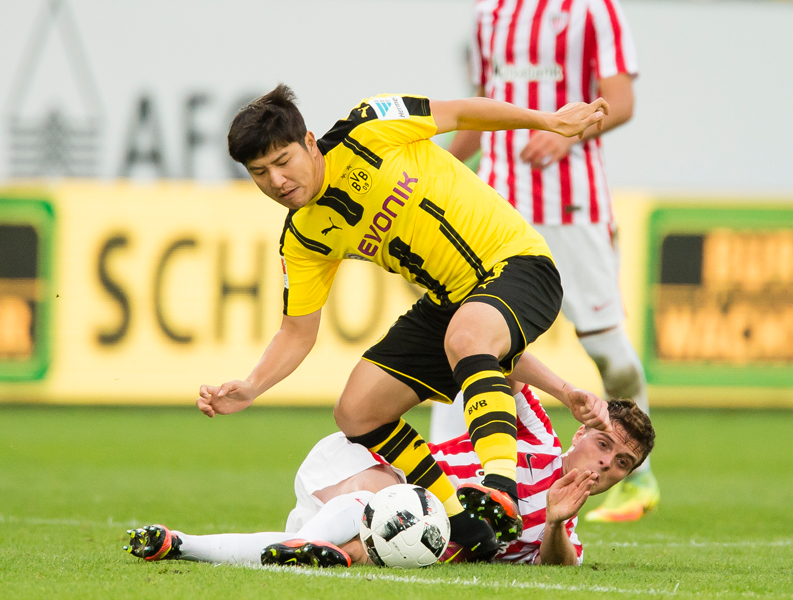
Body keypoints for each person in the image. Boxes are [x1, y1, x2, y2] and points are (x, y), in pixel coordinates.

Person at [196, 84, 609, 557]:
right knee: (357, 411)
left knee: (468, 335)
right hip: (451, 302)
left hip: (519, 265)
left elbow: (462, 112)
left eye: (284, 161)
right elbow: (296, 332)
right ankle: (461, 523)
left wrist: (547, 120)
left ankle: (500, 489)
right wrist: (252, 386)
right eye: (259, 173)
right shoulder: (304, 238)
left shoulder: (369, 127)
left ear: (310, 142)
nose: (277, 181)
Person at [438, 0, 659, 523]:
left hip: (570, 204)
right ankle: (451, 488)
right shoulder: (489, 14)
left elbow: (621, 102)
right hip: (494, 209)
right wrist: (431, 173)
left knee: (611, 355)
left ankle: (639, 477)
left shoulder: (594, 10)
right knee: (464, 341)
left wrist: (569, 134)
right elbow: (476, 117)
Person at [125, 384, 655, 567]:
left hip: (383, 520)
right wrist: (565, 391)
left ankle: (179, 544)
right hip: (363, 462)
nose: (605, 464)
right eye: (604, 444)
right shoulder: (536, 437)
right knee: (396, 503)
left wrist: (557, 523)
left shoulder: (564, 531)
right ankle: (308, 550)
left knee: (352, 547)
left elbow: (556, 568)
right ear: (580, 434)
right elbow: (505, 361)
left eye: (621, 464)